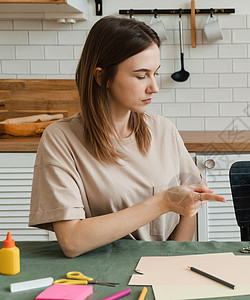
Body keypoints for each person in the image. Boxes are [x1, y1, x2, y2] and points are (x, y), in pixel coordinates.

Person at [28, 16, 225, 258]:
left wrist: (168, 264)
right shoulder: (61, 139)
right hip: (99, 274)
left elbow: (189, 209)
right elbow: (72, 241)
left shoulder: (164, 130)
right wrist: (162, 202)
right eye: (141, 76)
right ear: (102, 77)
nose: (154, 87)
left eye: (155, 73)